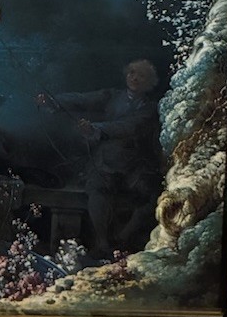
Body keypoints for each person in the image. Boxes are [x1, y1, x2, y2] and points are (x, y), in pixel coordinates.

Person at [41, 59, 163, 256]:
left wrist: (96, 128)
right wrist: (53, 101)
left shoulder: (150, 108)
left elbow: (129, 126)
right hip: (107, 160)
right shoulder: (112, 96)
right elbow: (82, 99)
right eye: (131, 73)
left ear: (149, 82)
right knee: (97, 189)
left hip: (134, 164)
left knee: (153, 195)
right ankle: (102, 241)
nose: (134, 78)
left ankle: (125, 235)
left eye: (141, 76)